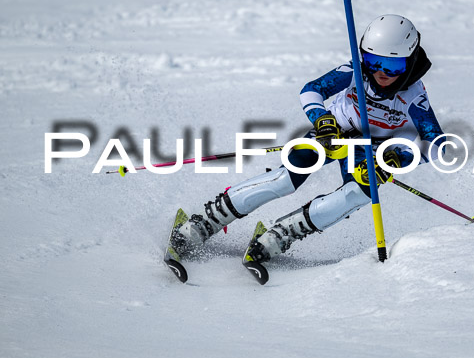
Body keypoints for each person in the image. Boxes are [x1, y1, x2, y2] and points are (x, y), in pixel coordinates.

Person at [173, 14, 445, 264]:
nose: (380, 72)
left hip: (369, 150)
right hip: (334, 132)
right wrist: (322, 120)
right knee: (286, 178)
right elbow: (311, 90)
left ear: (409, 62)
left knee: (357, 194)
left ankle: (284, 233)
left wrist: (396, 160)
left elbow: (437, 145)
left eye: (393, 65)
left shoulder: (413, 96)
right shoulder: (355, 70)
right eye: (373, 61)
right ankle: (206, 221)